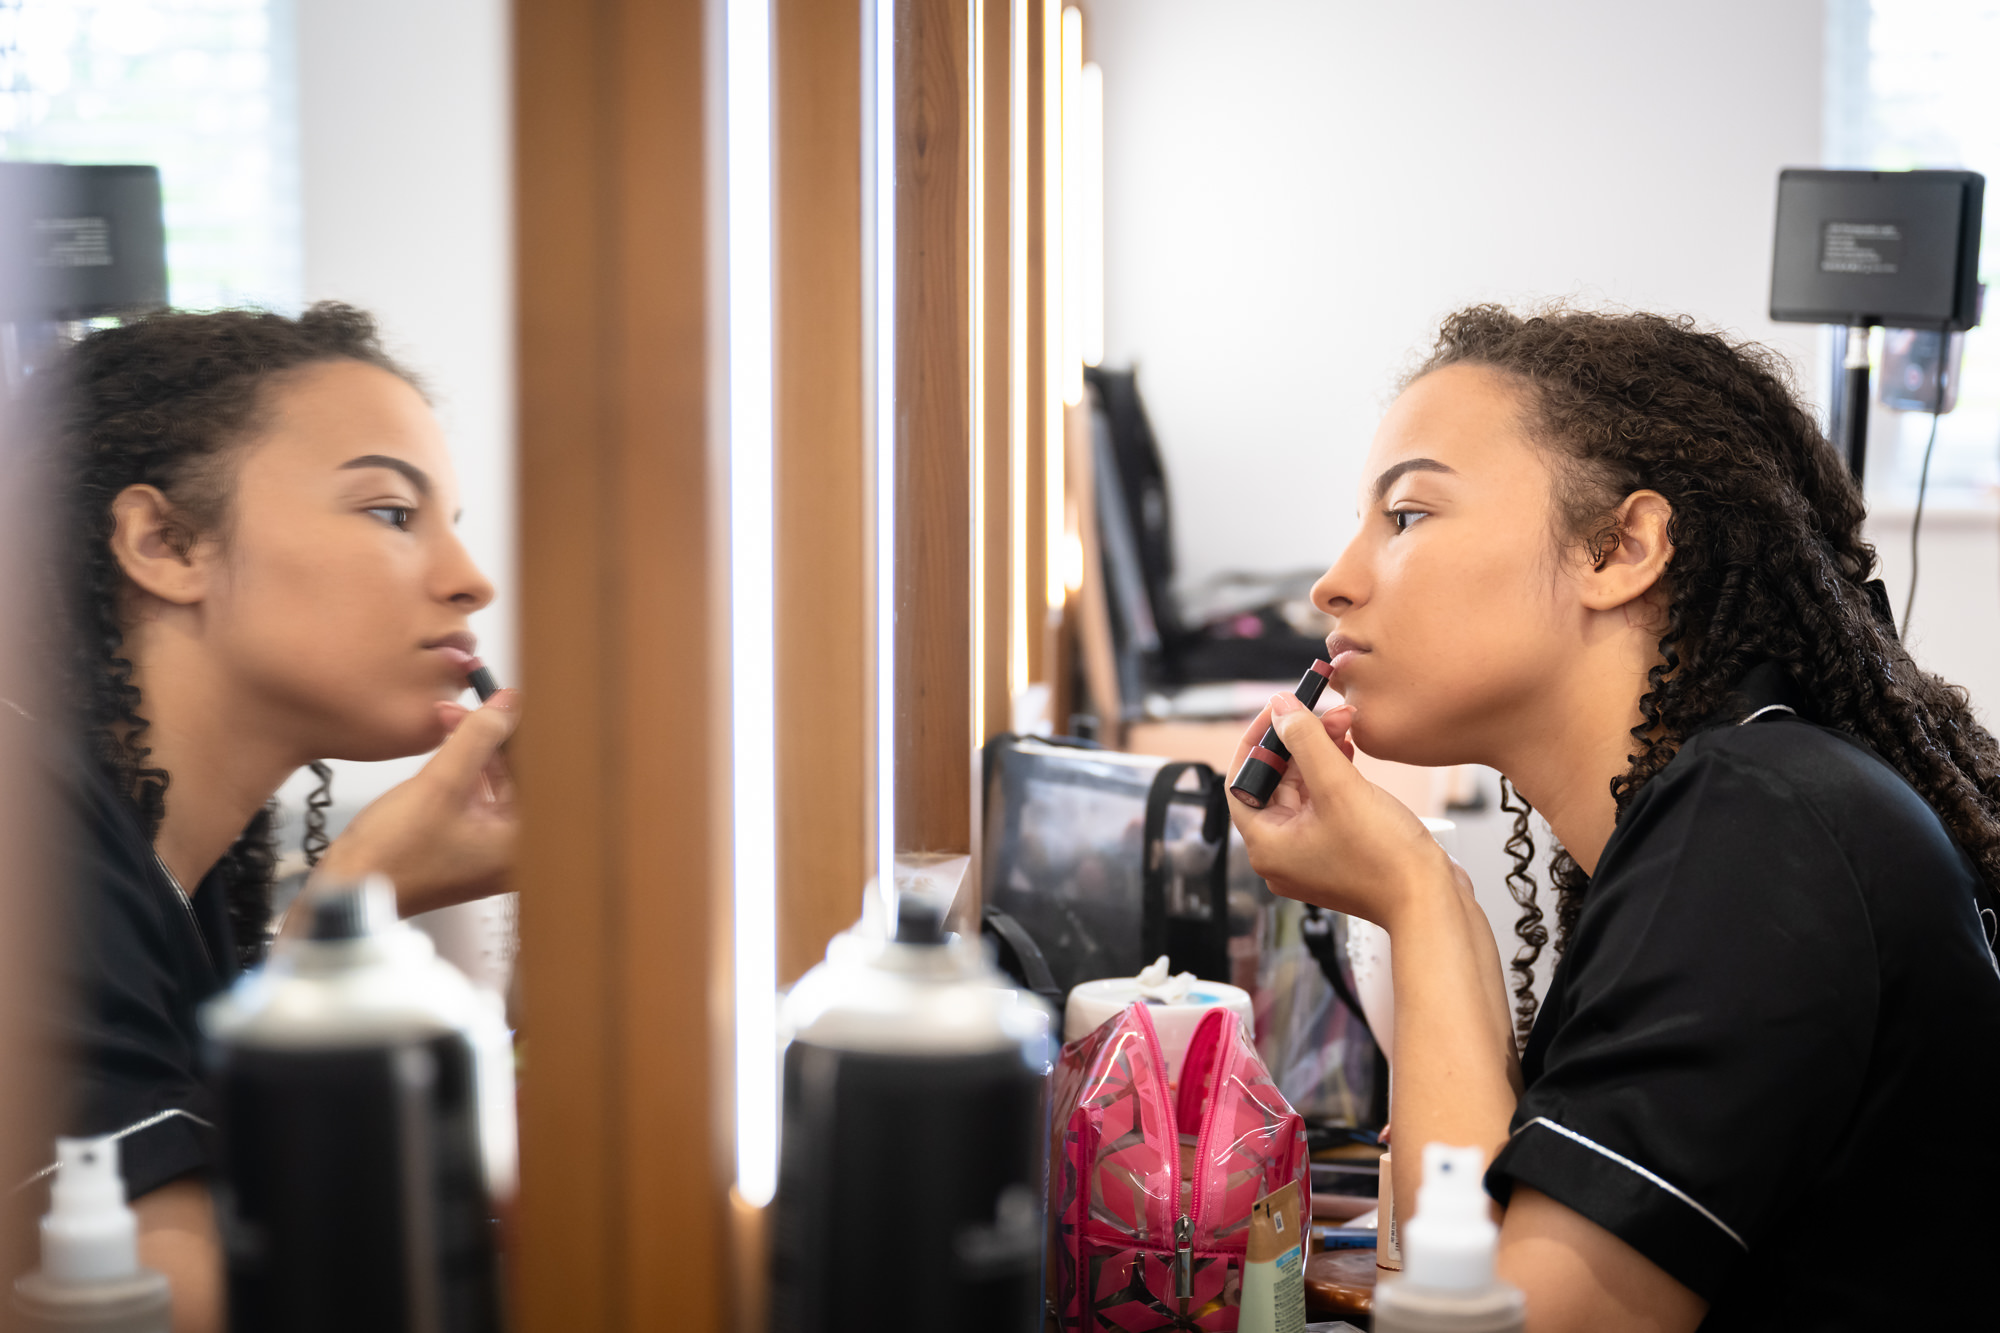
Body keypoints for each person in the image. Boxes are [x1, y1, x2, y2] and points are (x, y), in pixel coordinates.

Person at [1230, 306, 2000, 1330]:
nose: (1335, 580)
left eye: (1405, 516)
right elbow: (1443, 1273)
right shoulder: (1735, 802)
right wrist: (1428, 904)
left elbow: (1506, 1323)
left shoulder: (1757, 833)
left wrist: (1416, 899)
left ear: (1618, 546)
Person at [44, 304, 518, 1333]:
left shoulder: (177, 864)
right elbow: (177, 1301)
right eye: (393, 513)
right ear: (164, 542)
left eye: (453, 524)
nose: (469, 579)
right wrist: (339, 937)